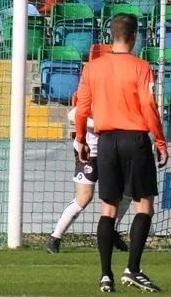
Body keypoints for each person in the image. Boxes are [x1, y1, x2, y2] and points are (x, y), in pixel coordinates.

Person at [74, 13, 167, 293]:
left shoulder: (93, 67)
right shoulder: (141, 67)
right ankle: (133, 270)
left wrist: (81, 139)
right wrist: (160, 141)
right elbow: (149, 107)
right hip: (134, 139)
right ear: (135, 36)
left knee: (108, 208)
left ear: (111, 36)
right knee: (144, 205)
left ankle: (105, 275)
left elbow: (82, 108)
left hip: (106, 141)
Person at [47, 94, 131, 254]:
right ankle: (55, 237)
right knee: (84, 197)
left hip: (112, 152)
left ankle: (112, 232)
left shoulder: (119, 92)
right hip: (89, 153)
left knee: (124, 194)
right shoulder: (92, 91)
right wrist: (100, 124)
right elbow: (73, 115)